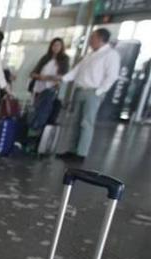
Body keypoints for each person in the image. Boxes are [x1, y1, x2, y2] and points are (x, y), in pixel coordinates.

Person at [55, 29, 120, 162]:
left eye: (93, 37)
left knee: (86, 123)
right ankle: (72, 150)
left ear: (101, 39)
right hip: (80, 90)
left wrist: (99, 91)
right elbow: (76, 71)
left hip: (93, 92)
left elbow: (112, 76)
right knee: (75, 121)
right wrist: (62, 79)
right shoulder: (90, 54)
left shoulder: (111, 54)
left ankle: (81, 153)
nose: (90, 40)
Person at [27, 38, 70, 134]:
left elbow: (62, 77)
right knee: (35, 111)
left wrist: (47, 78)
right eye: (54, 45)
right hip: (39, 88)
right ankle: (32, 130)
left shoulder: (64, 60)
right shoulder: (45, 58)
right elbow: (33, 73)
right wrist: (40, 77)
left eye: (58, 45)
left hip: (51, 89)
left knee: (44, 112)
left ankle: (38, 131)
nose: (56, 47)